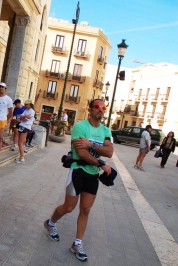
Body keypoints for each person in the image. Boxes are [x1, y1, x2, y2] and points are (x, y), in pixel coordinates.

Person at [44, 99, 113, 262]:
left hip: (93, 175)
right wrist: (101, 163)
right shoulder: (80, 127)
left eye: (103, 108)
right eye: (97, 107)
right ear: (90, 110)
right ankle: (50, 223)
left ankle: (77, 243)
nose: (100, 110)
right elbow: (81, 153)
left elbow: (109, 151)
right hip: (78, 171)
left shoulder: (105, 130)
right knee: (69, 207)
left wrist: (91, 144)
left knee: (86, 210)